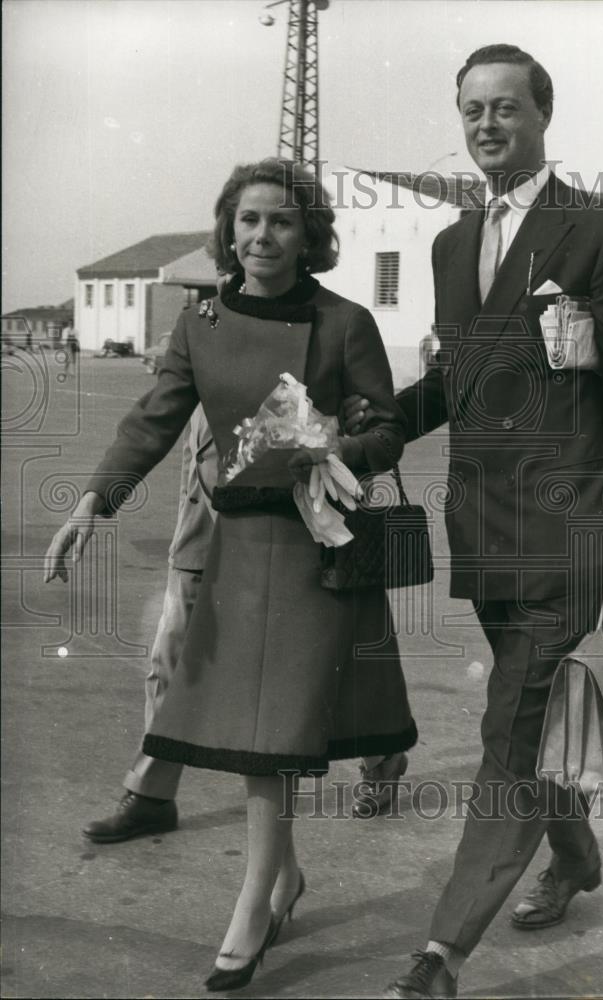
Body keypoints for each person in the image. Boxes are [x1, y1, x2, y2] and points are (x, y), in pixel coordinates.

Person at [45, 157, 418, 992]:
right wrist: (90, 504)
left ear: (308, 233)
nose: (261, 237)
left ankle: (253, 901)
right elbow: (152, 421)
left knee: (274, 734)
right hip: (237, 549)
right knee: (260, 733)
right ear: (228, 229)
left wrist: (326, 446)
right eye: (248, 220)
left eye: (281, 221)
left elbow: (387, 429)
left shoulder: (343, 320)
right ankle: (281, 880)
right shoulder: (201, 322)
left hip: (313, 548)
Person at [346, 44, 603, 999]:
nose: (488, 126)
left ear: (542, 115)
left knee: (510, 728)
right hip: (481, 531)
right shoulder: (453, 245)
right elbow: (456, 382)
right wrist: (364, 440)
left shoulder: (599, 231)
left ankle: (442, 950)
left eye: (506, 109)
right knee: (537, 728)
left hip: (568, 535)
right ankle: (572, 859)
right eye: (472, 111)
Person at [83, 401, 409, 843]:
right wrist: (95, 497)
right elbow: (158, 411)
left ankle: (380, 752)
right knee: (173, 656)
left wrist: (333, 422)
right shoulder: (198, 330)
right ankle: (151, 795)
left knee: (317, 656)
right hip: (203, 515)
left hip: (281, 517)